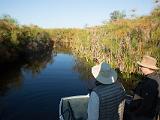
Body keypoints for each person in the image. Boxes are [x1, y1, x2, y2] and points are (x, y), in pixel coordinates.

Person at [124, 55, 160, 120]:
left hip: (143, 116)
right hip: (146, 113)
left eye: (142, 66)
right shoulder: (154, 77)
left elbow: (146, 105)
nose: (140, 68)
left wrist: (133, 115)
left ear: (147, 67)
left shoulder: (150, 83)